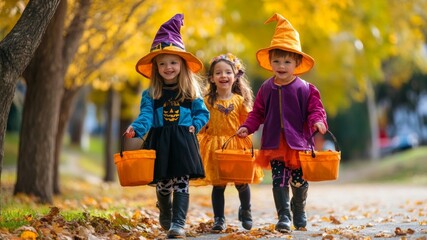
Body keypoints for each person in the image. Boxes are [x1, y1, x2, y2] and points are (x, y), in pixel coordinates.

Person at [236, 13, 328, 233]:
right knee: (279, 180)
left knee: (299, 182)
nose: (281, 65)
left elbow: (316, 109)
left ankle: (299, 209)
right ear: (270, 62)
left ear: (296, 63)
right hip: (275, 144)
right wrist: (247, 126)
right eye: (276, 60)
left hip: (299, 143)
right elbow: (257, 113)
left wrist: (318, 121)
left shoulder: (306, 89)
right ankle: (284, 216)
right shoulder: (267, 88)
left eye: (287, 61)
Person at [124, 14, 209, 239]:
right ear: (156, 68)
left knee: (181, 181)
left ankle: (178, 223)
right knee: (163, 183)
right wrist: (137, 128)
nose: (168, 67)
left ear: (181, 64)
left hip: (183, 141)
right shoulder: (151, 94)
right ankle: (165, 209)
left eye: (173, 62)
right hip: (160, 140)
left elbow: (203, 113)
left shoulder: (190, 93)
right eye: (162, 64)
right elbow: (146, 116)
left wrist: (196, 124)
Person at [196, 53, 263, 232]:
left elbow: (249, 122)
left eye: (227, 72)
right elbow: (203, 123)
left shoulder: (240, 100)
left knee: (242, 182)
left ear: (235, 76)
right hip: (216, 148)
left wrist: (246, 132)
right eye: (218, 73)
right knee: (218, 185)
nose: (223, 76)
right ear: (211, 78)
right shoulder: (207, 102)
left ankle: (246, 210)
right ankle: (219, 219)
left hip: (236, 145)